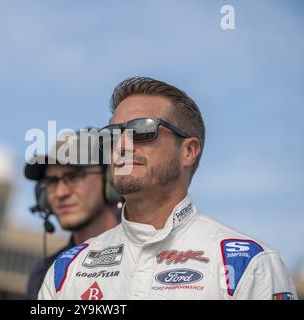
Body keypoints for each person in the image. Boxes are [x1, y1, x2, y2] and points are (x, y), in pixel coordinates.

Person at [38, 76, 297, 300]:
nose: (123, 146)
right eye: (114, 134)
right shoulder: (67, 269)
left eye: (142, 130)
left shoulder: (249, 264)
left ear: (188, 151)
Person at [24, 131, 122, 300]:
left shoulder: (151, 254)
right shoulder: (44, 274)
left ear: (110, 179)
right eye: (52, 181)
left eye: (75, 176)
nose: (61, 192)